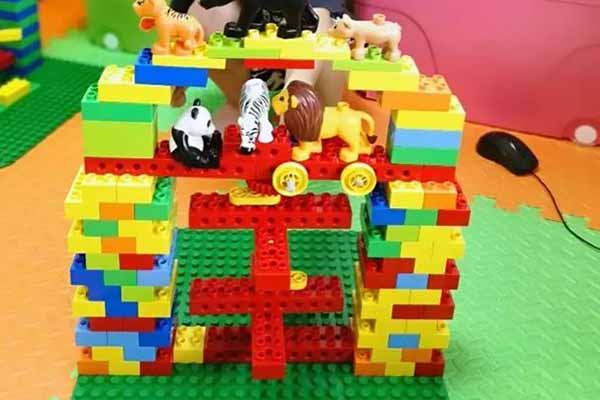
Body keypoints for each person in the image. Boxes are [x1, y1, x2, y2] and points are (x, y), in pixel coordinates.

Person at [169, 0, 350, 124]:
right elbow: (178, 12)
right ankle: (241, 105)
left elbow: (319, 15)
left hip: (315, 47)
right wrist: (180, 70)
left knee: (320, 26)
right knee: (200, 11)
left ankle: (301, 113)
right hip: (251, 37)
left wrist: (299, 88)